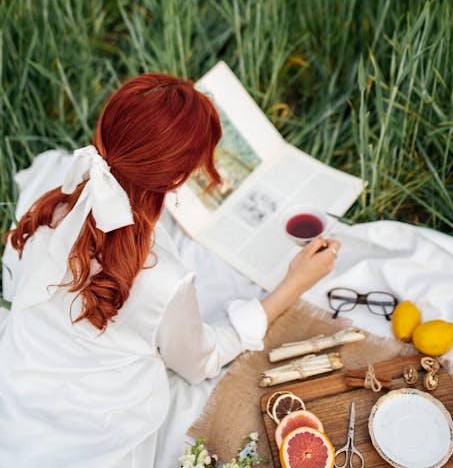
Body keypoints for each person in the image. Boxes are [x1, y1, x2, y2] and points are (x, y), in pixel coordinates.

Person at [0, 72, 340, 468]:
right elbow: (202, 362)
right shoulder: (163, 278)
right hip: (91, 436)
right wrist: (294, 283)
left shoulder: (54, 205)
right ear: (177, 179)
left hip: (17, 389)